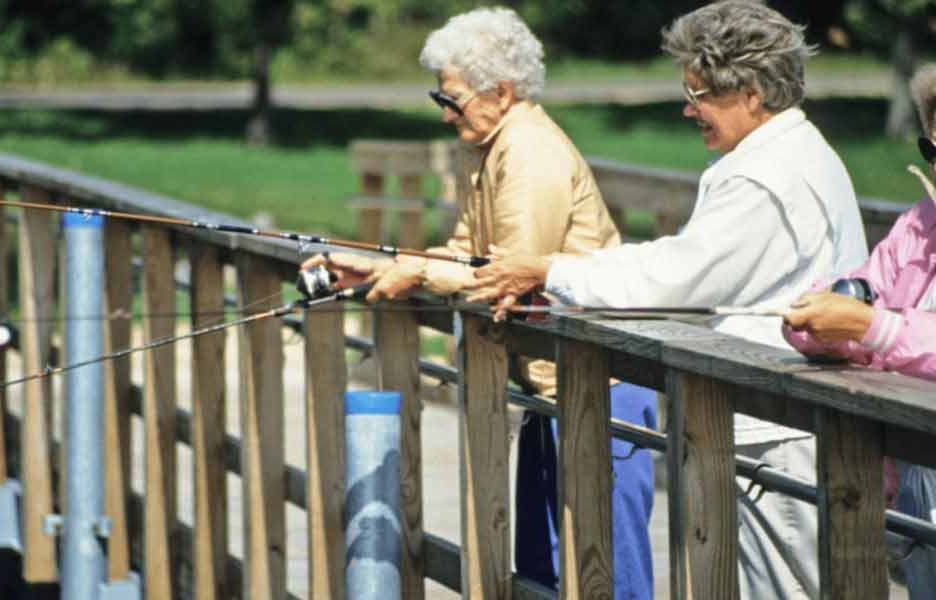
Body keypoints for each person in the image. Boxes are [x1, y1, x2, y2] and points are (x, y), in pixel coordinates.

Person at [463, 1, 869, 597]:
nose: (688, 109)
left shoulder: (764, 175)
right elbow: (680, 260)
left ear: (752, 93)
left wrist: (552, 270)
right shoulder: (786, 153)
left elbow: (675, 281)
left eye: (699, 93)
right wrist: (564, 270)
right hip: (772, 426)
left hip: (775, 437)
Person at [302, 7, 657, 597]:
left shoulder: (530, 154)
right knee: (542, 573)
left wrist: (413, 270)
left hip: (601, 387)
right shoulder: (488, 148)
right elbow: (468, 253)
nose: (444, 112)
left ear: (502, 91)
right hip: (549, 387)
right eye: (440, 98)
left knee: (610, 576)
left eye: (453, 99)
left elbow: (508, 273)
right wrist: (378, 267)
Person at [783, 64, 936, 597]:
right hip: (915, 481)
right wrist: (819, 318)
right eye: (933, 148)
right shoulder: (921, 223)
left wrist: (872, 328)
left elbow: (879, 325)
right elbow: (868, 290)